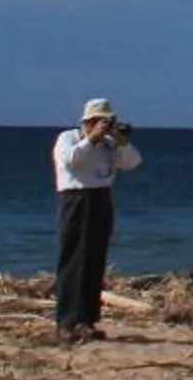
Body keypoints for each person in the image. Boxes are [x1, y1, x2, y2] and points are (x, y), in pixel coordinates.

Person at [53, 97, 142, 340]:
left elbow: (132, 162)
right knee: (73, 259)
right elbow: (72, 161)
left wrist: (122, 142)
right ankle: (67, 321)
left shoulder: (109, 146)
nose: (105, 127)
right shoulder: (68, 139)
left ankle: (87, 319)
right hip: (76, 199)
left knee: (95, 259)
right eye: (101, 121)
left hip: (101, 198)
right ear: (88, 121)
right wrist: (91, 139)